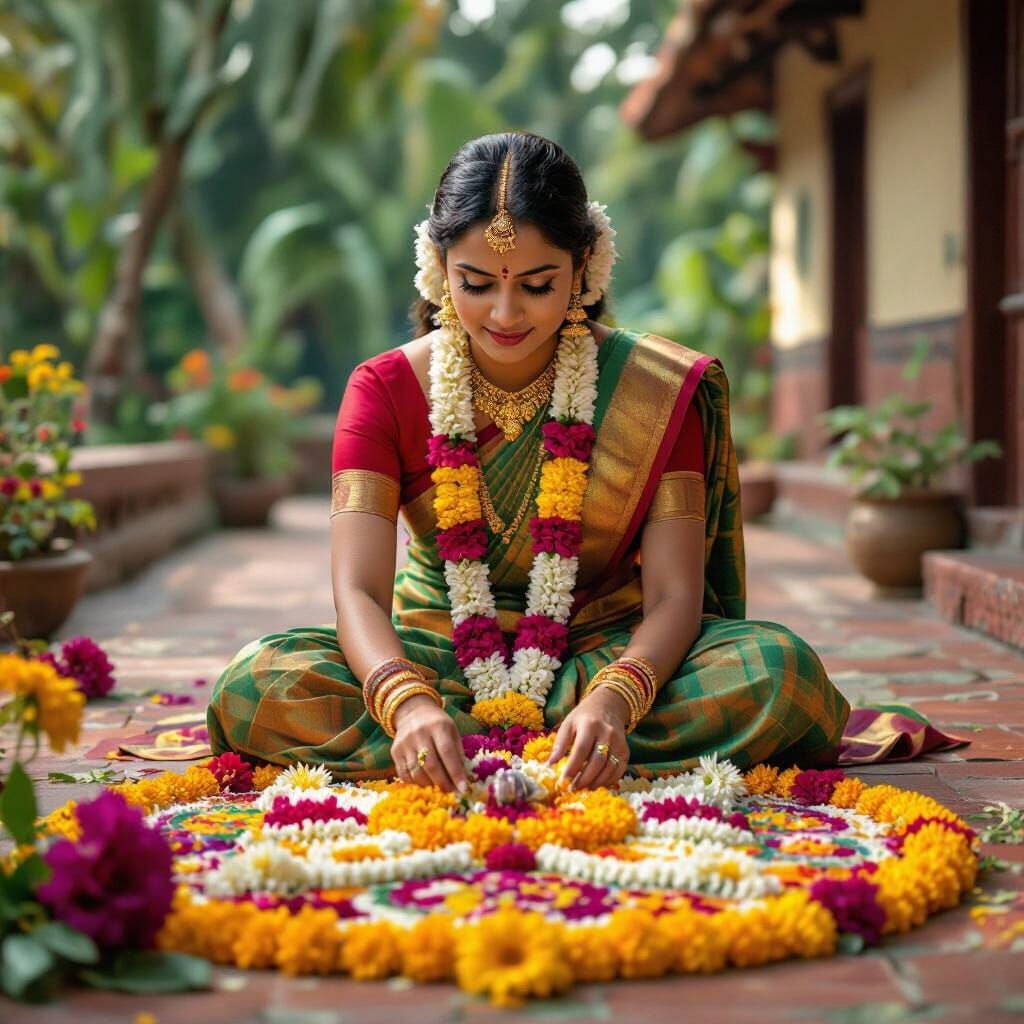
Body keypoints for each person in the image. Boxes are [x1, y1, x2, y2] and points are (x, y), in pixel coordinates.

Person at [207, 131, 853, 794]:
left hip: (603, 653)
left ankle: (514, 749)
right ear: (437, 267)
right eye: (477, 284)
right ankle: (459, 743)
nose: (506, 313)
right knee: (258, 682)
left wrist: (615, 700)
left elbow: (674, 596)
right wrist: (406, 703)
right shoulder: (385, 389)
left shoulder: (652, 391)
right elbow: (359, 593)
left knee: (782, 673)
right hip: (437, 656)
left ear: (586, 266)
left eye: (538, 285)